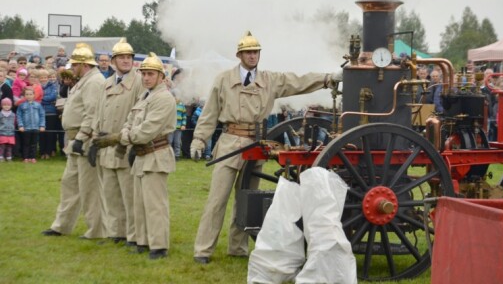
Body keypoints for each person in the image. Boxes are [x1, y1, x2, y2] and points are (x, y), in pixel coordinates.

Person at [190, 31, 339, 264]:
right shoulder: (223, 80)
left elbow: (299, 81)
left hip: (256, 145)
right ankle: (203, 250)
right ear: (239, 55)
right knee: (216, 200)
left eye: (256, 52)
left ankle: (237, 248)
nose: (253, 56)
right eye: (248, 52)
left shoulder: (270, 80)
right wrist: (199, 139)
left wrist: (328, 78)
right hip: (230, 142)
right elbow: (210, 113)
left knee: (246, 199)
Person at [93, 52, 176, 260]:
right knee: (139, 204)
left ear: (160, 76)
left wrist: (118, 138)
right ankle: (142, 241)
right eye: (144, 74)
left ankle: (159, 246)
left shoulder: (164, 98)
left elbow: (146, 131)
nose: (146, 78)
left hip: (156, 153)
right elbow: (130, 120)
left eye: (150, 74)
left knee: (155, 205)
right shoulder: (145, 95)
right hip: (141, 154)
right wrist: (125, 135)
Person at [41, 43, 106, 239]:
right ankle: (61, 225)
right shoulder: (84, 80)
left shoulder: (94, 82)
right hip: (75, 139)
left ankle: (97, 230)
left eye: (74, 65)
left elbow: (92, 113)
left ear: (83, 64)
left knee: (89, 188)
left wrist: (81, 137)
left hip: (83, 139)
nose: (72, 68)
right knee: (69, 184)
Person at [91, 38, 144, 247]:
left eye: (129, 57)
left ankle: (134, 235)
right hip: (106, 146)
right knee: (110, 194)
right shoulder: (106, 83)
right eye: (121, 57)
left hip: (125, 145)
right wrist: (94, 142)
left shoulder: (139, 81)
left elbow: (140, 113)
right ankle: (115, 232)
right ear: (113, 61)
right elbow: (97, 113)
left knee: (130, 195)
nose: (126, 60)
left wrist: (132, 142)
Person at [16, 87, 45, 163]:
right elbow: (19, 116)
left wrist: (42, 125)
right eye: (27, 94)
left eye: (30, 94)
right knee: (26, 143)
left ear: (34, 95)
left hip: (35, 128)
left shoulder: (38, 105)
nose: (29, 96)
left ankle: (32, 157)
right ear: (24, 95)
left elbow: (42, 115)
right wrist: (20, 125)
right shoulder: (21, 106)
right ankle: (25, 157)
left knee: (34, 144)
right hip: (26, 128)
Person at [39, 68, 59, 159]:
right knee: (41, 133)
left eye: (45, 77)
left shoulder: (53, 86)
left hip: (51, 112)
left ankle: (49, 151)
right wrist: (44, 99)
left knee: (50, 133)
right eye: (41, 77)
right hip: (40, 112)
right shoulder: (37, 86)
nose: (43, 79)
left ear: (48, 78)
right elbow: (35, 96)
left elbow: (52, 96)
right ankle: (42, 152)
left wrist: (41, 98)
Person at [169, 89, 187, 161]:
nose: (175, 98)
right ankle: (169, 155)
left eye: (177, 96)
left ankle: (177, 155)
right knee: (169, 141)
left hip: (179, 128)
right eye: (174, 96)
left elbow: (184, 116)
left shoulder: (182, 105)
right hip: (170, 127)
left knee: (177, 142)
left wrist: (183, 125)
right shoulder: (169, 105)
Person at [0, 98, 16, 162]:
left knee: (9, 146)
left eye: (8, 105)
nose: (6, 106)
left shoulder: (13, 115)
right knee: (2, 146)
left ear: (11, 106)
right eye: (4, 104)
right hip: (2, 133)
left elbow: (15, 123)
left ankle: (9, 157)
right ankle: (1, 157)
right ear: (1, 105)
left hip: (11, 133)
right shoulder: (0, 114)